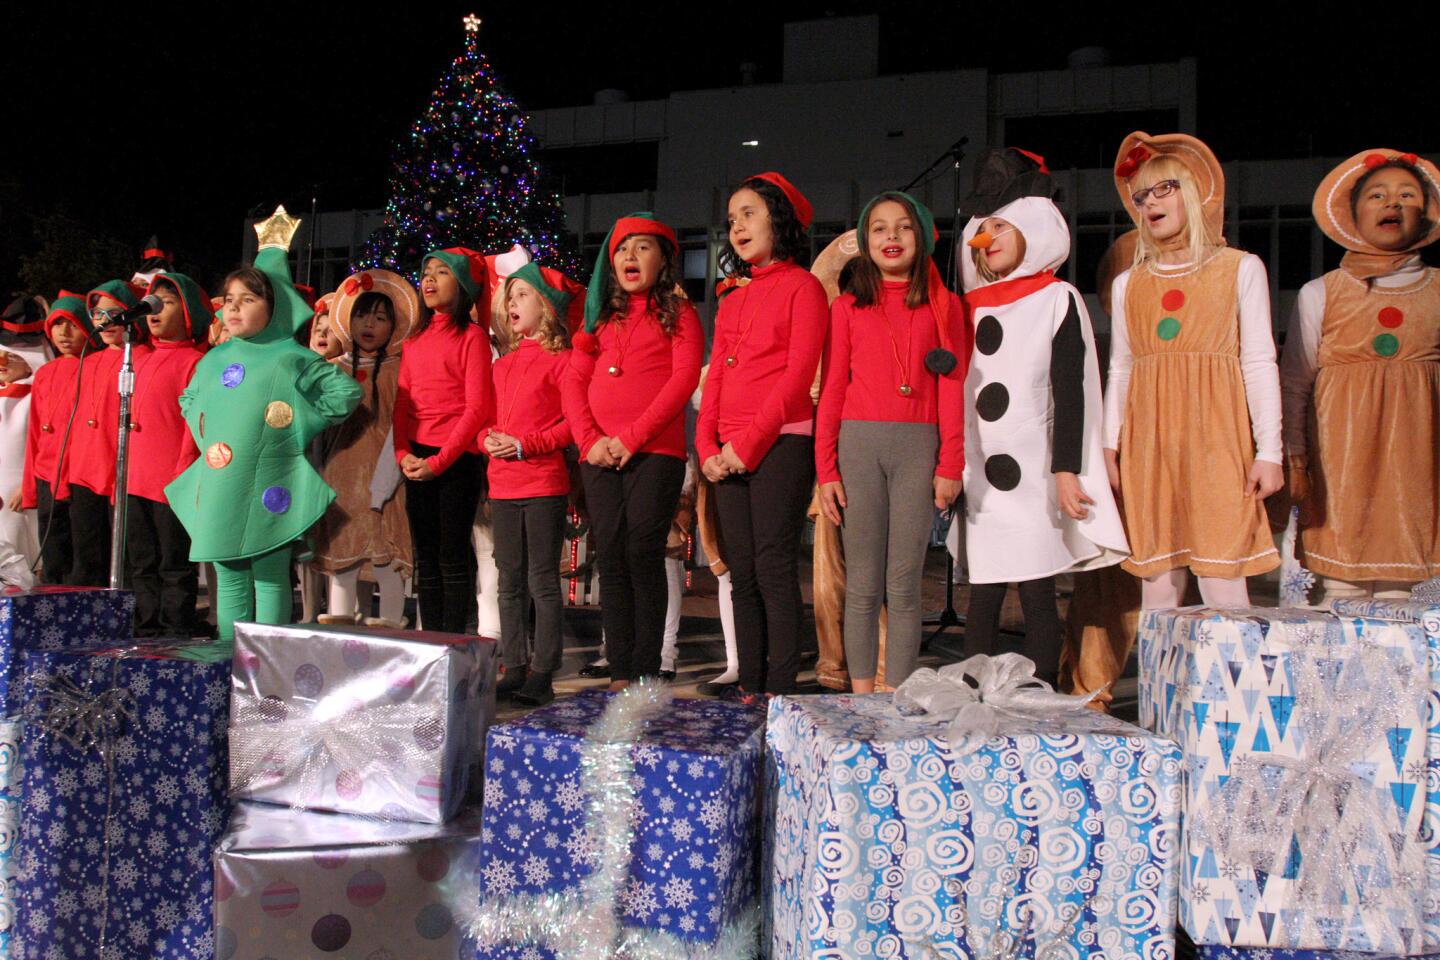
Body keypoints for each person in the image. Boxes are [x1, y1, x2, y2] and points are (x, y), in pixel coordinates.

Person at [956, 148, 1128, 683]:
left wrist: (1066, 469)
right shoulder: (970, 305)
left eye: (1003, 226)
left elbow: (1071, 390)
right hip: (979, 473)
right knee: (982, 590)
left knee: (1034, 589)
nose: (990, 238)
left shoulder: (1058, 298)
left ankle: (1041, 695)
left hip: (1034, 473)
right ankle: (974, 693)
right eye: (985, 229)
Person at [166, 207, 362, 653]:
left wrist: (296, 426)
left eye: (248, 300)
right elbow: (189, 400)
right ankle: (230, 658)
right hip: (222, 479)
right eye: (229, 299)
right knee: (230, 572)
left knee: (270, 572)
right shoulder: (213, 358)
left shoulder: (288, 357)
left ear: (273, 307)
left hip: (270, 478)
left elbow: (345, 394)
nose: (234, 307)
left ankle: (272, 658)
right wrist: (206, 434)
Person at [1103, 132, 1284, 609]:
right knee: (1158, 582)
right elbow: (1120, 369)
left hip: (1217, 440)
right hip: (1149, 444)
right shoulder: (1128, 284)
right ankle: (1164, 686)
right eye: (1141, 195)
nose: (1149, 203)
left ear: (1194, 192)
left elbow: (1260, 361)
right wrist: (1109, 444)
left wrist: (1270, 450)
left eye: (1164, 188)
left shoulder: (1240, 268)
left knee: (1224, 578)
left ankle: (1230, 684)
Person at [814, 190, 968, 691]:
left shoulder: (944, 307)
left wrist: (951, 464)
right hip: (858, 447)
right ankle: (862, 704)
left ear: (920, 237)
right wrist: (827, 471)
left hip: (919, 448)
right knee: (862, 585)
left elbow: (953, 388)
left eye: (902, 227)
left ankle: (897, 702)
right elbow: (833, 387)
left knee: (904, 587)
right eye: (878, 228)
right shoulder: (848, 308)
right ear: (864, 241)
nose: (891, 237)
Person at [1281, 149, 1440, 600]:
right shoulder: (1321, 294)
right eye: (1377, 195)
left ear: (1426, 213)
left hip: (1415, 475)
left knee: (1400, 601)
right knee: (1340, 595)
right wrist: (1296, 458)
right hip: (1340, 476)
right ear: (1353, 214)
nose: (1392, 203)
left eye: (1407, 194)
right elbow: (1294, 384)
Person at [697, 172, 827, 700]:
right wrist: (706, 446)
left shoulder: (804, 287)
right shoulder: (732, 298)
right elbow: (718, 376)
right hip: (726, 451)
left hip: (780, 444)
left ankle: (780, 690)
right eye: (731, 220)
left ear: (780, 218)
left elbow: (798, 378)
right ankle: (750, 687)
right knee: (741, 573)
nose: (737, 226)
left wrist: (744, 447)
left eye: (748, 213)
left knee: (773, 568)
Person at [563, 213, 702, 689]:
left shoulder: (679, 313)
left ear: (663, 259)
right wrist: (590, 441)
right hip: (599, 454)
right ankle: (620, 669)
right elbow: (574, 382)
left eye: (642, 247)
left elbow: (683, 380)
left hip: (653, 453)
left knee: (642, 552)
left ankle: (648, 667)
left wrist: (631, 437)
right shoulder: (600, 318)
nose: (629, 256)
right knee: (613, 557)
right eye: (622, 248)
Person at [486, 263, 574, 706]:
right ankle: (514, 664)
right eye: (510, 297)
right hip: (502, 486)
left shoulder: (563, 361)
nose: (511, 304)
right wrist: (487, 437)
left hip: (542, 483)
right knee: (508, 581)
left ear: (546, 306)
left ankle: (544, 671)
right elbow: (486, 417)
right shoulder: (501, 366)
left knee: (542, 581)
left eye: (522, 295)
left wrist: (524, 445)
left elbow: (571, 427)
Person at [393, 247, 494, 633]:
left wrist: (439, 461)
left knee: (453, 556)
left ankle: (453, 642)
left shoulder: (472, 338)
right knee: (426, 557)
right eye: (426, 272)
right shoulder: (414, 341)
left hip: (455, 460)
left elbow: (476, 407)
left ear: (463, 284)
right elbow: (402, 404)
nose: (430, 279)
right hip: (416, 458)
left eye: (442, 272)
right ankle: (430, 638)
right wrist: (403, 452)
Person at [312, 270, 418, 627]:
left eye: (379, 317)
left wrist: (391, 477)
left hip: (385, 477)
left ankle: (391, 629)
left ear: (394, 325)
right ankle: (340, 629)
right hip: (339, 478)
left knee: (386, 557)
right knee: (342, 561)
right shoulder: (331, 370)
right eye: (361, 315)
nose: (368, 324)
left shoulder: (399, 370)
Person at [126, 273, 208, 636]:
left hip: (172, 481)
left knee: (173, 564)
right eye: (152, 301)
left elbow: (195, 423)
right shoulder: (138, 358)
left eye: (167, 302)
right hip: (134, 478)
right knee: (141, 562)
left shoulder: (194, 360)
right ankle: (145, 630)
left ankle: (174, 632)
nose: (155, 308)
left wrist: (184, 472)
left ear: (188, 311)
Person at [67, 281, 151, 586]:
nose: (104, 320)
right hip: (84, 473)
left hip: (121, 473)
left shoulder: (142, 358)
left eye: (114, 312)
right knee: (86, 557)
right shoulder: (86, 362)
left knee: (127, 559)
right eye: (97, 313)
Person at [20, 292, 89, 583]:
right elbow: (35, 430)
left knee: (83, 549)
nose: (64, 331)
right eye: (57, 324)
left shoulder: (92, 367)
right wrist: (30, 487)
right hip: (47, 472)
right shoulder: (46, 373)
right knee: (53, 550)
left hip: (81, 475)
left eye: (71, 323)